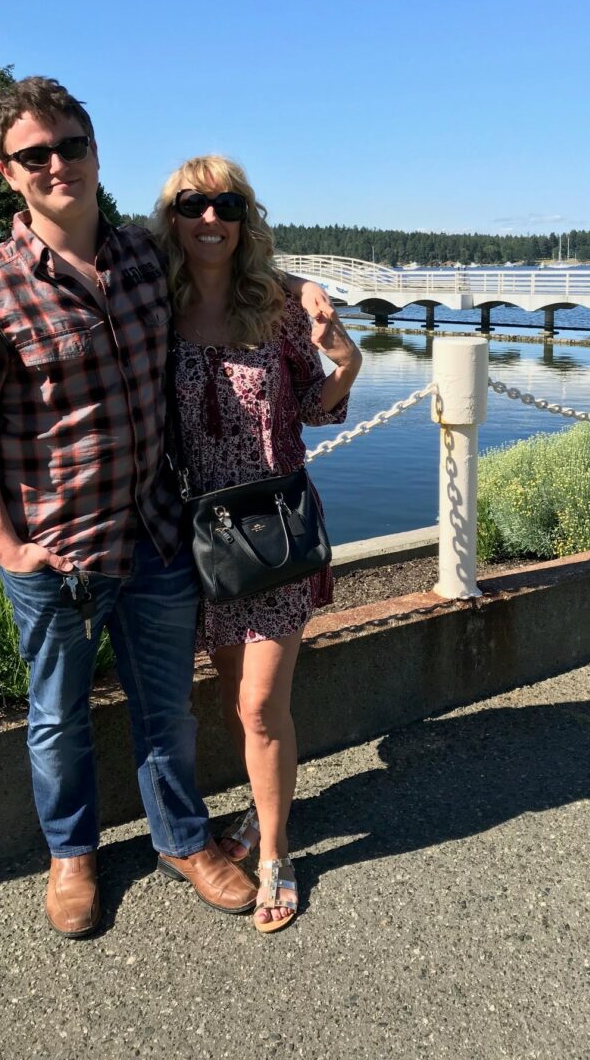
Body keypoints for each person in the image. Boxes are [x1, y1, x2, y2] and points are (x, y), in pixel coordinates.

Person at [0, 77, 330, 938]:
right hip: (58, 550)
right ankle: (71, 856)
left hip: (157, 534)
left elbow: (227, 254)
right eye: (35, 154)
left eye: (71, 145)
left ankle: (183, 840)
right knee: (56, 716)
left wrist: (303, 288)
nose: (57, 164)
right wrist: (6, 544)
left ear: (95, 152)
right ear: (8, 172)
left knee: (166, 709)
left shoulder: (145, 258)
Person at [152, 155, 362, 933]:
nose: (211, 219)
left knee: (261, 706)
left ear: (246, 219)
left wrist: (348, 361)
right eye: (193, 204)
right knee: (239, 705)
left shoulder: (276, 308)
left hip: (274, 534)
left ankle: (274, 853)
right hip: (201, 540)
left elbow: (313, 405)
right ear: (172, 217)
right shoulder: (155, 306)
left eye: (227, 205)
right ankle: (260, 809)